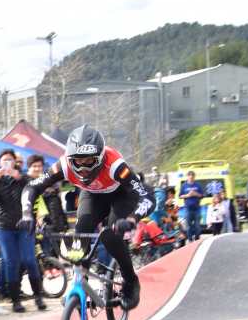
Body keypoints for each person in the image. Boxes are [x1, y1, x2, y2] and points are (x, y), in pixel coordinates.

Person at [21, 125, 154, 310]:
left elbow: (147, 196)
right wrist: (27, 214)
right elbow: (31, 187)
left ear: (99, 158)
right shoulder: (64, 165)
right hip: (92, 194)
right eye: (78, 161)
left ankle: (131, 281)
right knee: (81, 233)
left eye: (89, 161)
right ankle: (79, 283)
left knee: (111, 234)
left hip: (120, 195)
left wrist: (132, 219)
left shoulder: (115, 165)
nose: (83, 168)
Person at [0, 148, 46, 313]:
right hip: (3, 226)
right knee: (12, 261)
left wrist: (20, 178)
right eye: (4, 160)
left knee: (29, 259)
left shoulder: (24, 178)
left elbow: (34, 190)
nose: (7, 163)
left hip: (24, 225)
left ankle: (38, 296)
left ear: (15, 162)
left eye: (10, 160)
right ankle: (15, 300)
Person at [180, 170, 204, 242]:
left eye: (192, 176)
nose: (191, 178)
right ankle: (190, 239)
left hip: (197, 208)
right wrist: (188, 195)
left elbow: (202, 195)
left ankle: (197, 239)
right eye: (189, 176)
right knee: (188, 225)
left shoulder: (198, 185)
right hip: (188, 208)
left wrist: (196, 194)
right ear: (187, 177)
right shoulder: (184, 185)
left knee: (197, 225)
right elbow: (180, 196)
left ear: (194, 177)